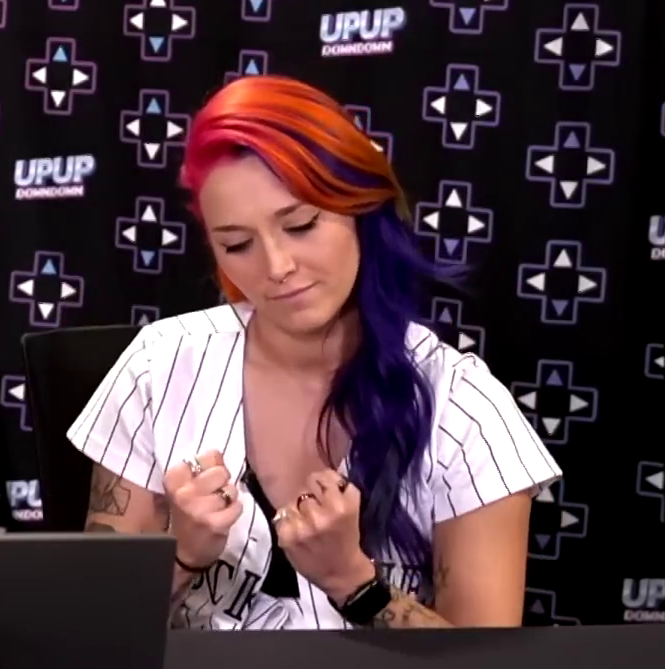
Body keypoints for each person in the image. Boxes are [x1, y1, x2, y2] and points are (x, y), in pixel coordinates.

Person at [67, 75, 561, 630]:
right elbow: (93, 634)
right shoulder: (158, 367)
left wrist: (355, 583)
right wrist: (181, 556)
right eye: (237, 244)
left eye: (301, 225)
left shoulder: (462, 407)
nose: (277, 267)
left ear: (361, 208)